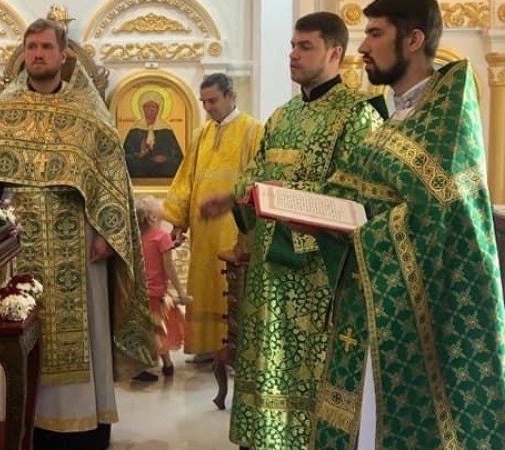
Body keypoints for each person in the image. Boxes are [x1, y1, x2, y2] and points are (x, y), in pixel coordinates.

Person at [306, 1, 505, 448]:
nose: (362, 48)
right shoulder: (393, 121)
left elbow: (437, 218)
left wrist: (358, 226)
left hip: (422, 317)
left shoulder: (447, 122)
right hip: (373, 306)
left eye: (375, 34)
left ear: (413, 40)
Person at [0, 18, 156, 450]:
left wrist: (109, 231)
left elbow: (112, 181)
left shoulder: (87, 114)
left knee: (83, 333)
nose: (38, 54)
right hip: (20, 241)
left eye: (46, 46)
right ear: (23, 53)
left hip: (79, 243)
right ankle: (26, 424)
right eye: (31, 47)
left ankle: (85, 426)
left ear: (63, 55)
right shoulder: (2, 113)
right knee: (21, 327)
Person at [199, 12, 386, 450]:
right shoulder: (282, 116)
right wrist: (234, 197)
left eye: (306, 46)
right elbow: (254, 175)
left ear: (335, 52)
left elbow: (357, 199)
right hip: (268, 270)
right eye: (292, 46)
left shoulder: (358, 116)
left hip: (316, 280)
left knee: (307, 382)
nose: (293, 55)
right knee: (265, 366)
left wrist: (289, 194)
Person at [163, 73, 263, 363]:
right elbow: (186, 179)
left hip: (234, 226)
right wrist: (179, 222)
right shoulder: (201, 134)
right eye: (203, 101)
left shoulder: (252, 130)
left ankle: (234, 347)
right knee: (204, 282)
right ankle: (207, 346)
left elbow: (258, 177)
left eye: (213, 100)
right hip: (202, 227)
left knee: (230, 284)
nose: (208, 107)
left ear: (231, 95)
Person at [134, 195, 191, 381]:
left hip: (141, 292)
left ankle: (143, 365)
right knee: (161, 328)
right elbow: (168, 266)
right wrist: (180, 291)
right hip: (158, 292)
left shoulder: (138, 237)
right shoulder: (162, 237)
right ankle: (167, 364)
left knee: (146, 329)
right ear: (152, 217)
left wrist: (172, 245)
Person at [123, 91, 184, 178]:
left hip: (164, 176)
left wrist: (165, 159)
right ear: (142, 109)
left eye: (154, 106)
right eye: (148, 106)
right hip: (139, 177)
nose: (151, 109)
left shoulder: (166, 131)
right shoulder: (135, 131)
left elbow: (178, 158)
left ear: (159, 109)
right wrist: (139, 155)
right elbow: (123, 158)